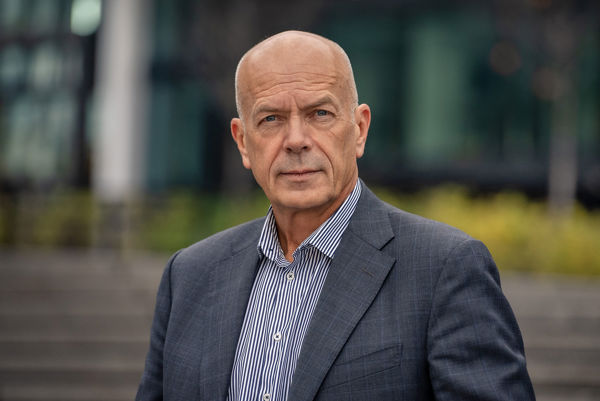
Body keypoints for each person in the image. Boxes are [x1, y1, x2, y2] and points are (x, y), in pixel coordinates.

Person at [136, 30, 535, 401]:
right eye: (271, 119)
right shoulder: (189, 275)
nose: (296, 140)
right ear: (243, 142)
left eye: (320, 114)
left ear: (359, 129)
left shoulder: (445, 268)